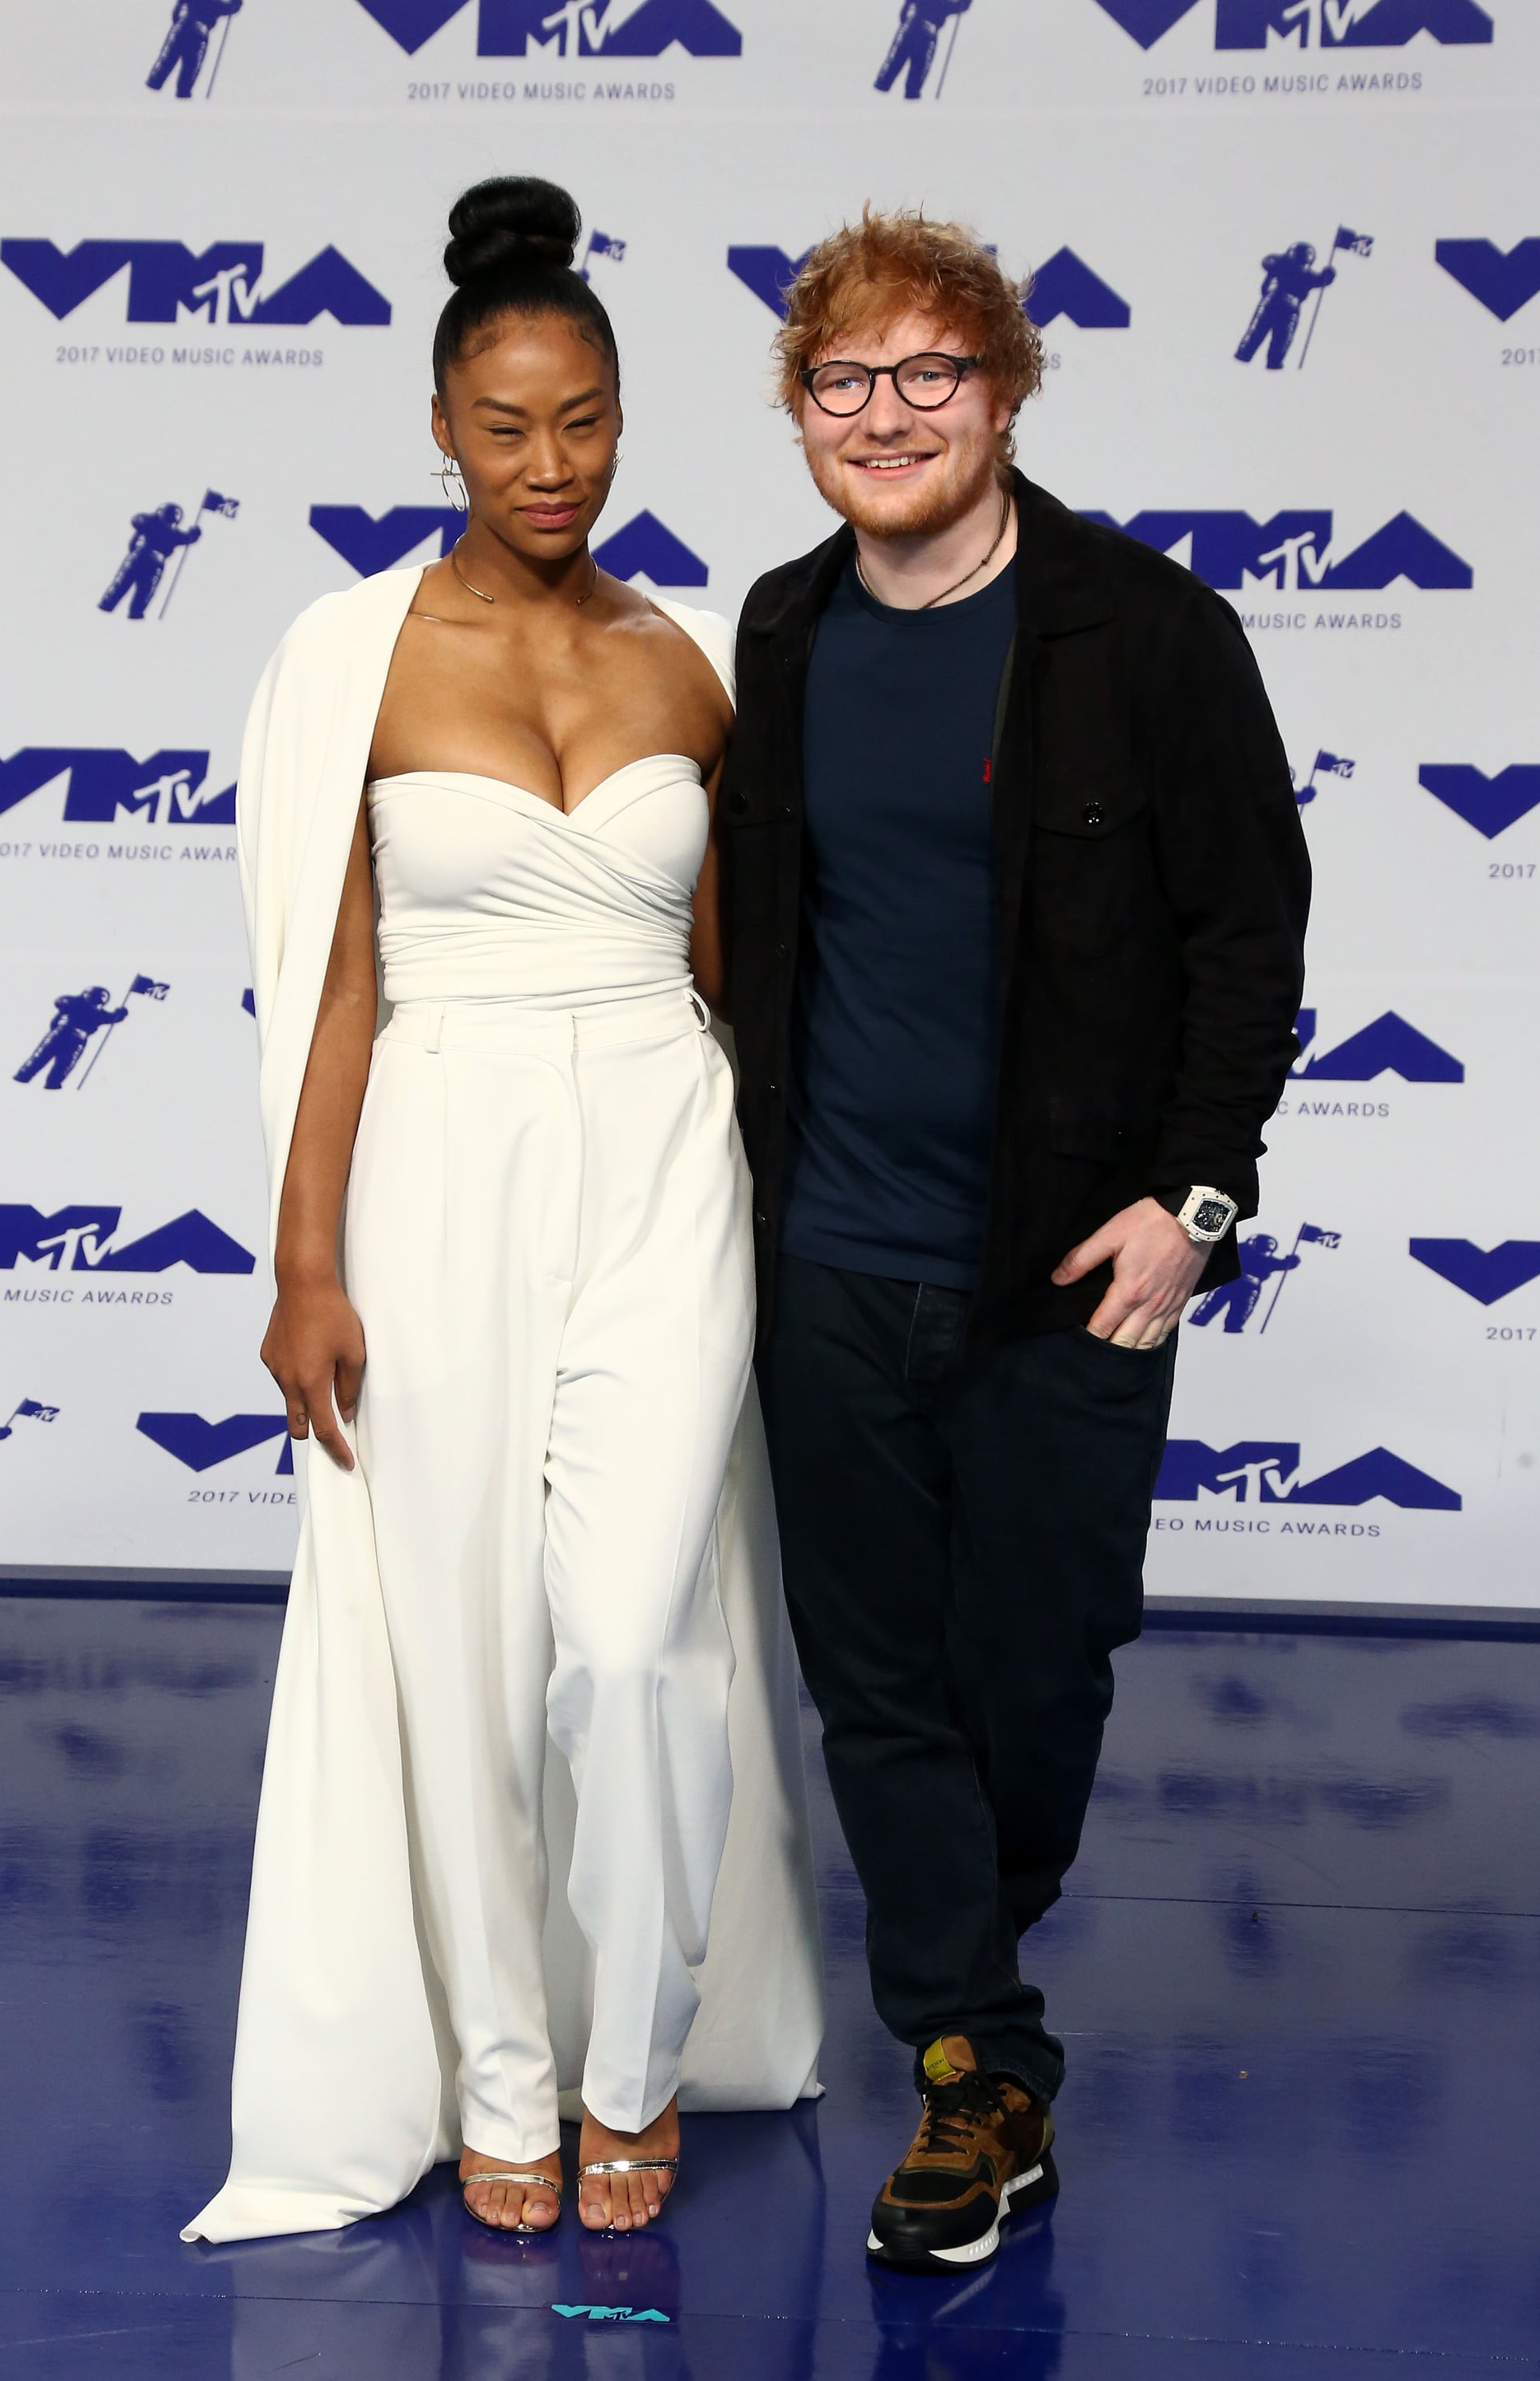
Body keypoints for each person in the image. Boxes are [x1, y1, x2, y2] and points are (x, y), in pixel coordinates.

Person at [183, 177, 823, 2249]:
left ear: (626, 416)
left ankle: (633, 2057)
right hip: (435, 1154)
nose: (550, 463)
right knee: (461, 1647)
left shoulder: (696, 657)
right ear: (443, 427)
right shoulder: (352, 655)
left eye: (586, 420)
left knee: (634, 1639)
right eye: (507, 425)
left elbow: (738, 971)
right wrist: (303, 1261)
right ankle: (494, 2077)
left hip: (664, 1150)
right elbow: (333, 983)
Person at [719, 208, 1310, 2275]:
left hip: (1067, 1267)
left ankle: (981, 1961)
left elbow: (1247, 939)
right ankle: (976, 2066)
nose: (882, 415)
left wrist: (1194, 1201)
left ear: (1003, 390)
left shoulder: (1142, 632)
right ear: (800, 409)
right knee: (875, 1681)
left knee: (1035, 1670)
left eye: (927, 374)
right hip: (827, 1256)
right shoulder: (782, 630)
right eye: (841, 379)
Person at [1236, 242, 1335, 371]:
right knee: (1264, 333)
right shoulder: (1283, 265)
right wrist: (1327, 276)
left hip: (1284, 306)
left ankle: (1265, 360)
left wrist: (1328, 275)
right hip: (1276, 303)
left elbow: (1320, 280)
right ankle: (1255, 357)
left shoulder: (1302, 272)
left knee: (1278, 337)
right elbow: (1267, 262)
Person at [14, 986, 129, 1090]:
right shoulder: (77, 1004)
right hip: (63, 1034)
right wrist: (119, 1014)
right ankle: (26, 1080)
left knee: (60, 1066)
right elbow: (60, 1002)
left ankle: (44, 1084)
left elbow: (113, 1018)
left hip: (73, 1039)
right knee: (43, 1060)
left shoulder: (97, 1012)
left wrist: (120, 1014)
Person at [98, 504, 199, 620]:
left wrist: (193, 534)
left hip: (143, 558)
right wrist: (193, 534)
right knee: (140, 590)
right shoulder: (161, 527)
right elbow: (187, 538)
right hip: (149, 559)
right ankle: (127, 612)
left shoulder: (154, 525)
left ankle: (113, 608)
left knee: (130, 587)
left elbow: (137, 521)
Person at [147, 0, 241, 99]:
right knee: (188, 71)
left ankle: (153, 87)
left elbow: (178, 8)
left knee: (166, 63)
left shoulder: (216, 4)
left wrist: (177, 21)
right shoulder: (216, 4)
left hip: (183, 26)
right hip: (198, 33)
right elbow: (231, 8)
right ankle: (178, 94)